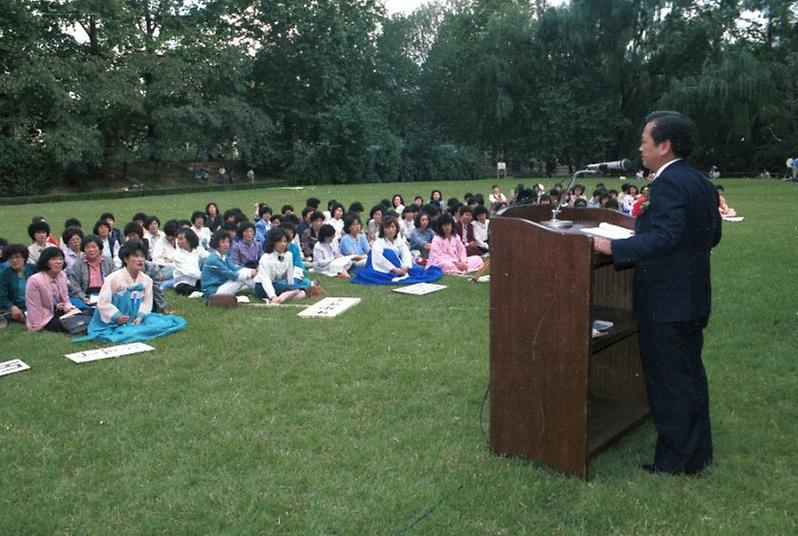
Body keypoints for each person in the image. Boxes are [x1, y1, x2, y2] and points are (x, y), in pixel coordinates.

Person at [593, 111, 721, 476]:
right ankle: (698, 452)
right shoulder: (699, 182)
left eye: (645, 141)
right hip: (692, 296)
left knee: (670, 382)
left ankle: (675, 463)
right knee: (689, 376)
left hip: (667, 301)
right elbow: (710, 236)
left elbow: (665, 238)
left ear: (664, 146)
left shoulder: (667, 184)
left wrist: (613, 249)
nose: (640, 148)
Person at [74, 241, 187, 343]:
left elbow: (147, 302)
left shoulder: (147, 280)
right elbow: (103, 303)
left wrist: (141, 315)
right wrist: (117, 316)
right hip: (112, 321)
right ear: (126, 259)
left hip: (135, 319)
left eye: (142, 256)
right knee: (128, 333)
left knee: (160, 324)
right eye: (136, 256)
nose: (140, 259)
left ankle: (136, 328)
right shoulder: (113, 278)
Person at [350, 216, 443, 285]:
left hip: (400, 264)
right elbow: (379, 259)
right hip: (383, 266)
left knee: (417, 271)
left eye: (393, 227)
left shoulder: (399, 240)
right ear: (383, 229)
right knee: (388, 253)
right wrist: (394, 269)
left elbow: (405, 252)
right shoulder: (378, 242)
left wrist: (406, 266)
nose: (391, 230)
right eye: (388, 227)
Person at [254, 228, 320, 303]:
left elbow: (290, 276)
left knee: (301, 294)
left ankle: (280, 298)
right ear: (273, 242)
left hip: (276, 284)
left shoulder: (288, 255)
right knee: (296, 290)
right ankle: (275, 300)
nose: (283, 244)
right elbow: (265, 280)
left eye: (285, 241)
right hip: (262, 286)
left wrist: (290, 287)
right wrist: (272, 296)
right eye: (279, 241)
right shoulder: (265, 258)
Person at [25, 247, 77, 332]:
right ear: (46, 262)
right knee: (66, 325)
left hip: (60, 310)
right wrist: (36, 325)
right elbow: (34, 306)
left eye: (61, 259)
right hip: (44, 315)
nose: (58, 262)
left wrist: (69, 308)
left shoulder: (62, 275)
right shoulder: (34, 280)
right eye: (54, 259)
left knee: (81, 318)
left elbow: (65, 298)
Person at [200, 230, 256, 297]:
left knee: (244, 272)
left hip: (221, 285)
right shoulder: (213, 259)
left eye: (228, 242)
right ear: (216, 243)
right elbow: (228, 273)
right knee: (241, 278)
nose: (226, 245)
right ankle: (261, 289)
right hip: (212, 291)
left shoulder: (223, 256)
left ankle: (261, 288)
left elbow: (234, 267)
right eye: (223, 242)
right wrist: (248, 275)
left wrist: (250, 271)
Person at [68, 235, 116, 310]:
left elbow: (115, 280)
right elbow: (74, 285)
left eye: (93, 247)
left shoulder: (108, 261)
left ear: (100, 249)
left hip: (106, 294)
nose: (91, 250)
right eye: (88, 247)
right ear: (83, 249)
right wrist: (83, 297)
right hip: (86, 294)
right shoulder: (78, 264)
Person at [0, 244, 35, 327]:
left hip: (34, 304)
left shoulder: (33, 269)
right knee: (14, 314)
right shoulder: (4, 274)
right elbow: (2, 296)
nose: (14, 260)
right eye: (11, 258)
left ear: (24, 258)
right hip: (16, 306)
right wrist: (12, 307)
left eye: (17, 257)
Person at [173, 228, 208, 297]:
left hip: (197, 280)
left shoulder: (197, 250)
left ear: (189, 239)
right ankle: (201, 292)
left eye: (181, 239)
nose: (178, 242)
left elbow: (208, 256)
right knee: (181, 288)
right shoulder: (177, 255)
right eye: (177, 239)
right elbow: (189, 272)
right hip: (184, 282)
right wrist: (205, 276)